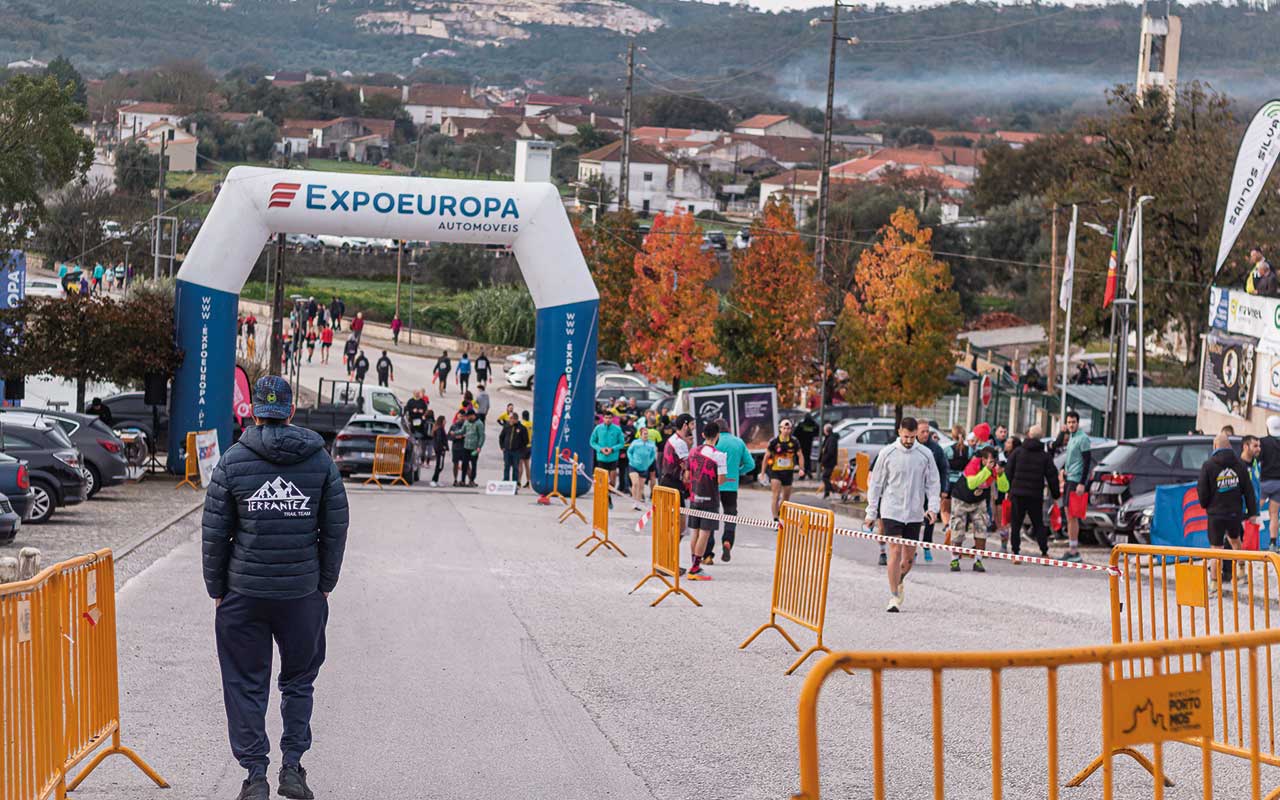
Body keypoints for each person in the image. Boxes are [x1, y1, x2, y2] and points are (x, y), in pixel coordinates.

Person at [201, 376, 349, 800]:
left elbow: (215, 533)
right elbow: (335, 528)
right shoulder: (320, 461)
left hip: (243, 593)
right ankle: (293, 768)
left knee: (246, 682)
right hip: (301, 593)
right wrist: (324, 583)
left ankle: (254, 775)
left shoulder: (231, 460)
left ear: (255, 413)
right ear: (289, 411)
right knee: (299, 681)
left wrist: (217, 588)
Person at [865, 417, 940, 613]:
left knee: (908, 560)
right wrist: (871, 512)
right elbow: (876, 484)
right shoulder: (887, 453)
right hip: (891, 510)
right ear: (899, 432)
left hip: (914, 512)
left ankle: (899, 581)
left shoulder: (925, 454)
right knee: (895, 551)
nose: (908, 441)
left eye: (912, 437)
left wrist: (933, 508)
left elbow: (933, 483)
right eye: (906, 437)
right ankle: (894, 596)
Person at [1197, 432, 1259, 592]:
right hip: (1234, 512)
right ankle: (1241, 571)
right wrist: (1252, 512)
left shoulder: (1208, 465)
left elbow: (1202, 491)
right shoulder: (1239, 465)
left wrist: (1206, 505)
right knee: (1235, 540)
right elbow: (1249, 490)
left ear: (1215, 446)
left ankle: (1214, 582)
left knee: (1216, 548)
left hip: (1215, 513)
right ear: (1229, 446)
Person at [948, 446, 1008, 572]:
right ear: (983, 459)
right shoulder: (973, 464)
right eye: (991, 460)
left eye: (995, 460)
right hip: (961, 498)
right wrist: (987, 470)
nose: (993, 463)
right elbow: (972, 484)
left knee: (982, 528)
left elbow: (1004, 488)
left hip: (979, 500)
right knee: (958, 529)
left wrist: (1001, 475)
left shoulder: (995, 469)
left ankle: (978, 560)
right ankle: (954, 560)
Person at [1004, 426, 1060, 558]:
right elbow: (1052, 476)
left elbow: (1008, 472)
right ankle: (1044, 551)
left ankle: (1015, 551)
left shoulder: (1017, 452)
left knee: (1016, 523)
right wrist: (1056, 494)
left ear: (1028, 435)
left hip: (1017, 493)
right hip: (1035, 494)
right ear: (1041, 437)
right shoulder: (1044, 456)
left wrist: (1007, 490)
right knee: (1038, 523)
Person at [707, 418, 755, 564]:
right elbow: (750, 464)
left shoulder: (711, 442)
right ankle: (727, 541)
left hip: (713, 484)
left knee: (710, 516)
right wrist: (737, 472)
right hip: (731, 485)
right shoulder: (738, 442)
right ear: (728, 428)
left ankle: (708, 553)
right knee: (730, 514)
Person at [685, 422, 729, 578]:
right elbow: (721, 480)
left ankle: (693, 564)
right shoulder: (719, 455)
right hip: (710, 499)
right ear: (717, 436)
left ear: (703, 435)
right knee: (705, 533)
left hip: (695, 496)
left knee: (694, 532)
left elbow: (687, 475)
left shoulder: (693, 452)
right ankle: (696, 568)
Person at [1059, 411, 1091, 563]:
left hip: (1076, 480)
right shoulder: (1071, 437)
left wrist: (1082, 483)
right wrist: (1064, 469)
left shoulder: (1083, 439)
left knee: (1073, 515)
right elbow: (1071, 458)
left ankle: (1074, 550)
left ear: (1078, 423)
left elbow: (1087, 462)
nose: (1071, 425)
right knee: (1067, 513)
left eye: (1073, 422)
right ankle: (1071, 547)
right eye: (1069, 422)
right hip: (1069, 478)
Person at [916, 420, 950, 563]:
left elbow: (944, 469)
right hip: (915, 490)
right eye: (922, 431)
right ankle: (913, 549)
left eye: (927, 431)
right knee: (914, 520)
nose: (925, 434)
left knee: (930, 518)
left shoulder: (935, 448)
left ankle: (927, 546)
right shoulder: (912, 446)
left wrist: (944, 488)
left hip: (931, 490)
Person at [763, 419, 804, 521]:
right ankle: (775, 518)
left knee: (786, 498)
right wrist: (762, 472)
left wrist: (801, 468)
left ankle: (780, 511)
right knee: (776, 495)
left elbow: (800, 455)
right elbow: (766, 457)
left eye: (788, 428)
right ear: (780, 429)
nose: (786, 430)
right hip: (776, 472)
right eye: (784, 428)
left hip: (788, 472)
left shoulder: (794, 442)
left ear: (791, 430)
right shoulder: (774, 441)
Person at [1259, 416, 1280, 549]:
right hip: (1278, 483)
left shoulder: (1262, 442)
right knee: (1274, 514)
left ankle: (1246, 539)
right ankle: (1273, 543)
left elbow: (1258, 460)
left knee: (1253, 511)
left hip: (1264, 482)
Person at [590, 414, 625, 485]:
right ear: (603, 418)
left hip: (613, 458)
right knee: (602, 481)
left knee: (612, 482)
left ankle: (609, 493)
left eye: (610, 418)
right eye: (606, 418)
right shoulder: (598, 428)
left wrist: (612, 449)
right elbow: (592, 442)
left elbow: (621, 443)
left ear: (612, 419)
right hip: (601, 457)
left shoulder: (617, 429)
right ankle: (604, 495)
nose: (608, 420)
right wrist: (600, 449)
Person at [627, 429, 657, 510]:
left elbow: (653, 455)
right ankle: (633, 500)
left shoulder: (651, 444)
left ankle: (637, 502)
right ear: (640, 435)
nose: (646, 436)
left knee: (641, 486)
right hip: (633, 466)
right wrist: (631, 460)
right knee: (635, 483)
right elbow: (629, 452)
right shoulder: (635, 443)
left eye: (647, 434)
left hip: (644, 467)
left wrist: (648, 463)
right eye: (644, 434)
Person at [500, 410, 529, 483]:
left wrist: (520, 449)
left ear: (515, 419)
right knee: (506, 466)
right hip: (507, 450)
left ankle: (514, 483)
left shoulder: (522, 428)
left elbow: (526, 440)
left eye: (511, 418)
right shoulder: (506, 426)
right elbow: (501, 437)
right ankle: (506, 481)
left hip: (516, 451)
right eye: (509, 418)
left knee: (515, 467)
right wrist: (502, 446)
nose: (510, 420)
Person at [405, 389, 430, 464]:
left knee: (420, 436)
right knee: (412, 433)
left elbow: (426, 409)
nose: (417, 394)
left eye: (418, 393)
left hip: (420, 421)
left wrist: (422, 412)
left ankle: (419, 448)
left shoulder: (422, 402)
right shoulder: (410, 401)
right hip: (412, 420)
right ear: (413, 393)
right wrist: (413, 410)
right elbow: (407, 408)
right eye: (416, 393)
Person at [461, 408, 485, 487]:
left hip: (474, 448)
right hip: (466, 446)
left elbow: (482, 436)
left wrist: (479, 446)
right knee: (464, 464)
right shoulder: (466, 422)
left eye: (468, 416)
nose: (467, 418)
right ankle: (463, 480)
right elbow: (462, 431)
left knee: (474, 465)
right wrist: (454, 433)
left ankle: (471, 480)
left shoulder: (479, 423)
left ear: (472, 415)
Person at [818, 424, 839, 499]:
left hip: (830, 462)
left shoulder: (831, 439)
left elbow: (830, 452)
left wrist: (823, 459)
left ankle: (832, 490)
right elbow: (824, 449)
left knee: (825, 477)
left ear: (826, 431)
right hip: (827, 461)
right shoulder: (828, 438)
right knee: (826, 476)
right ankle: (827, 493)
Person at [429, 416, 449, 487]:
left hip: (439, 449)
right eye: (444, 420)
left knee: (440, 465)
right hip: (440, 449)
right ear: (441, 421)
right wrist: (443, 447)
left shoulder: (440, 428)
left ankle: (436, 480)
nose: (446, 421)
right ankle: (434, 480)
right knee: (439, 465)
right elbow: (439, 439)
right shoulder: (439, 429)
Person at [448, 414, 467, 486]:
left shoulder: (467, 426)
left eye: (463, 416)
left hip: (465, 447)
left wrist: (463, 436)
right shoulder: (453, 426)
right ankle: (455, 480)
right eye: (460, 417)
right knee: (455, 464)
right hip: (456, 448)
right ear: (457, 418)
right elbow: (449, 437)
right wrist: (455, 437)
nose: (461, 418)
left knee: (466, 465)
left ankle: (468, 480)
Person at [519, 410, 533, 487]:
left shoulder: (522, 424)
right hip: (529, 446)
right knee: (527, 465)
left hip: (523, 446)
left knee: (520, 464)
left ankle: (519, 481)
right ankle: (528, 482)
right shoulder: (531, 424)